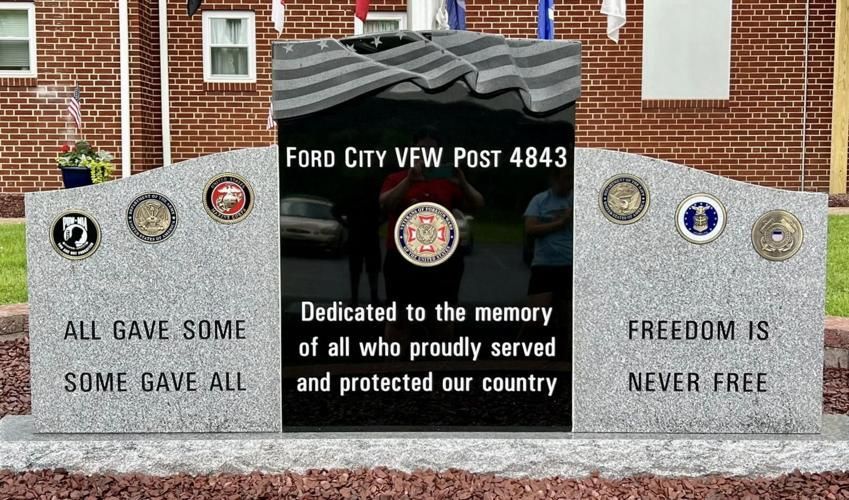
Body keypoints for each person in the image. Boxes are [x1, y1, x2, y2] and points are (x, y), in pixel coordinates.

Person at [379, 127, 484, 339]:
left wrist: (462, 182)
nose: (425, 154)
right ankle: (394, 368)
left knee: (442, 319)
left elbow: (478, 205)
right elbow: (385, 204)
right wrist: (409, 180)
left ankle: (440, 365)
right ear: (412, 152)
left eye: (431, 150)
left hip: (441, 261)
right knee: (399, 318)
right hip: (402, 259)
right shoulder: (396, 178)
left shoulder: (448, 181)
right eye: (420, 150)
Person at [522, 167, 573, 339]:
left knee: (569, 318)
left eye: (572, 179)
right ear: (555, 179)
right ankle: (522, 353)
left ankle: (565, 359)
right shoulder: (540, 200)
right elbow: (530, 228)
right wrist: (561, 222)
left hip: (571, 264)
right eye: (566, 178)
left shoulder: (578, 200)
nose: (569, 183)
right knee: (535, 317)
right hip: (545, 264)